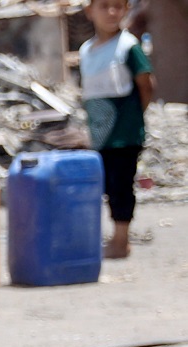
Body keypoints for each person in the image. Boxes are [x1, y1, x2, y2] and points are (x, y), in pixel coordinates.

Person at [80, 0, 156, 259]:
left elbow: (146, 84)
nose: (111, 12)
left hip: (124, 134)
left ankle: (121, 241)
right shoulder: (86, 50)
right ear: (90, 11)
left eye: (117, 6)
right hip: (101, 134)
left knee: (121, 185)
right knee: (105, 185)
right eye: (104, 6)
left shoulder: (128, 47)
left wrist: (134, 117)